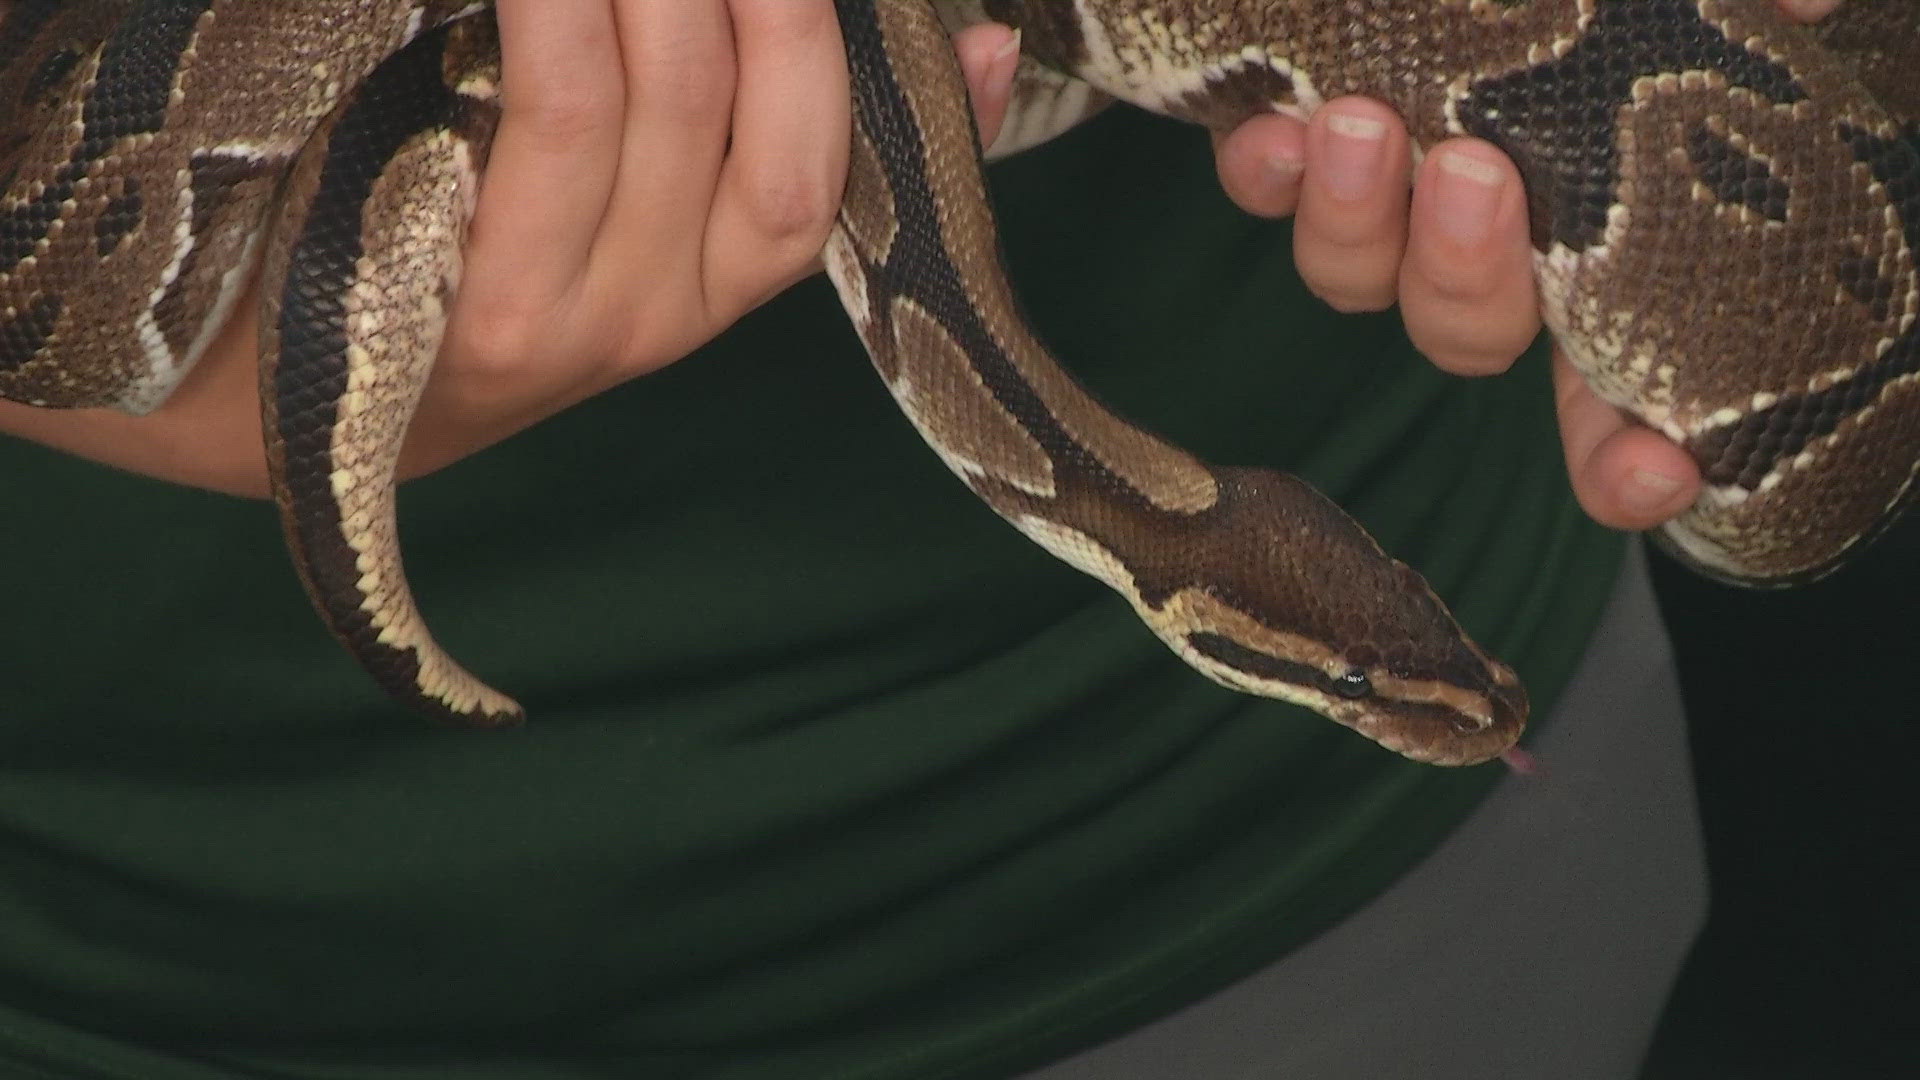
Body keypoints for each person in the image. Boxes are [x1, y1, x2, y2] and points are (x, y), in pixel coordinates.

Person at [0, 1, 1843, 1077]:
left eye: (1377, 665)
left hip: (1317, 915)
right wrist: (98, 379)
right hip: (180, 961)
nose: (1421, 687)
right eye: (1367, 674)